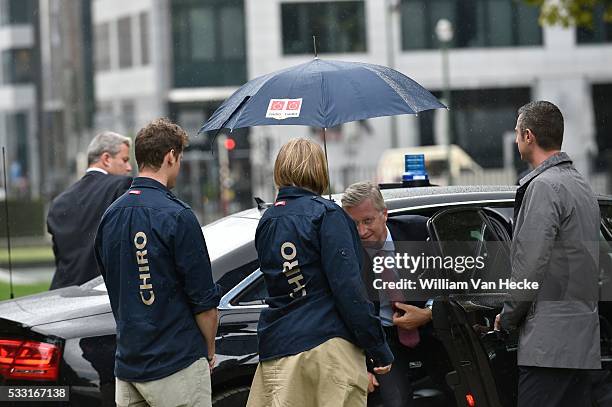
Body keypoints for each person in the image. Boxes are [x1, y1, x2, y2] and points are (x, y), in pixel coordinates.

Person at [247, 138, 393, 407]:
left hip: (278, 347)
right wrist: (378, 348)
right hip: (327, 348)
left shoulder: (266, 221)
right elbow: (349, 291)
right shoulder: (327, 215)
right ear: (319, 170)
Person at [94, 118, 221, 407]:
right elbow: (203, 301)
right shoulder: (178, 215)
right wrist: (209, 349)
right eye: (180, 159)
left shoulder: (111, 216)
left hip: (128, 364)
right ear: (170, 157)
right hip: (176, 361)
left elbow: (113, 284)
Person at [494, 101, 600, 407]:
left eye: (516, 133)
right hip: (581, 342)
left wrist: (508, 316)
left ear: (528, 136)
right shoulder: (581, 185)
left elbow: (530, 266)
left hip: (548, 347)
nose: (515, 140)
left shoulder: (544, 188)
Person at [342, 182, 434, 407]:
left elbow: (453, 280)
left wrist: (429, 313)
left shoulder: (420, 232)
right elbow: (341, 313)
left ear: (384, 214)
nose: (361, 231)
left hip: (433, 331)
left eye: (367, 221)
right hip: (382, 340)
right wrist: (358, 368)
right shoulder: (346, 254)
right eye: (354, 224)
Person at [47, 131, 132, 289]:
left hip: (60, 296)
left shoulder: (58, 202)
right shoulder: (122, 186)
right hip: (100, 297)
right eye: (125, 160)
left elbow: (61, 257)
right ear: (106, 159)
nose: (129, 167)